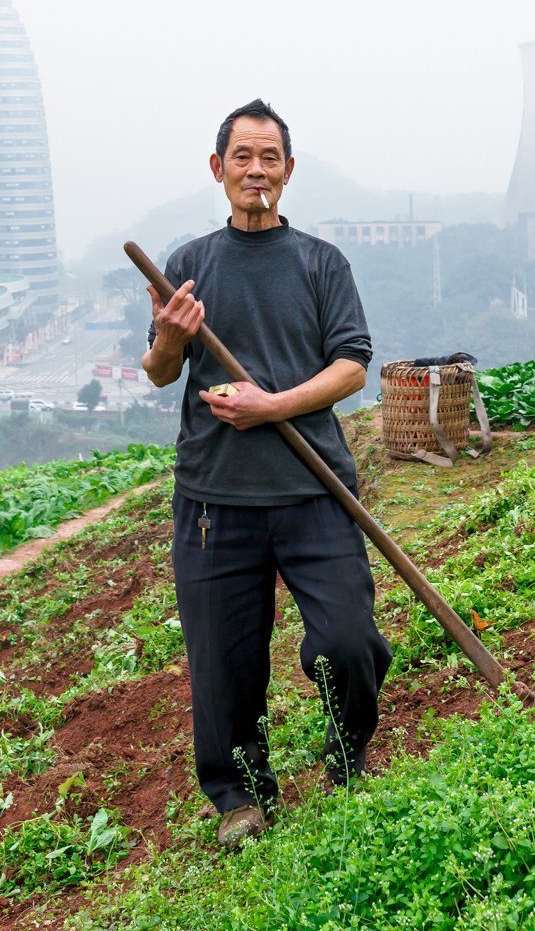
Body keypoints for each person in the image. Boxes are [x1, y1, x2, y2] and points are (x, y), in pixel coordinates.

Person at [142, 98, 392, 850]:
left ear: (288, 170)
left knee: (349, 639)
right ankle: (241, 798)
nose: (257, 170)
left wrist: (273, 405)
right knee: (223, 664)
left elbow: (352, 366)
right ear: (218, 169)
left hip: (315, 489)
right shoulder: (188, 265)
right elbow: (160, 372)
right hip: (214, 500)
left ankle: (347, 761)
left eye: (270, 157)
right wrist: (168, 336)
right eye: (242, 157)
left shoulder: (320, 262)